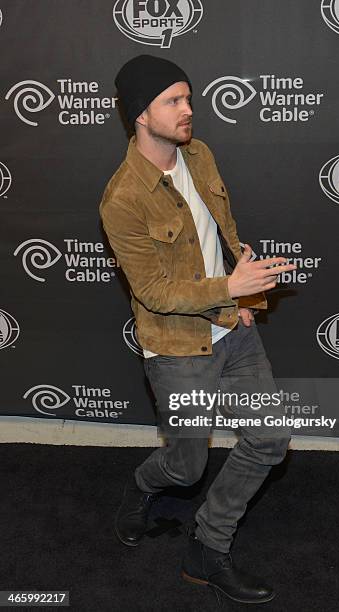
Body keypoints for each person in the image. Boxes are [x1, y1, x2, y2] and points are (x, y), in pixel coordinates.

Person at [99, 54, 296, 605]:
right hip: (177, 348)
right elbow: (155, 292)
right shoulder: (122, 199)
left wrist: (245, 287)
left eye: (189, 97)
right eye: (174, 101)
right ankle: (143, 484)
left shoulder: (200, 155)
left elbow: (221, 229)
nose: (189, 110)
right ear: (141, 115)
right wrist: (227, 290)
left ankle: (208, 548)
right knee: (186, 467)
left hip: (234, 328)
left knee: (270, 437)